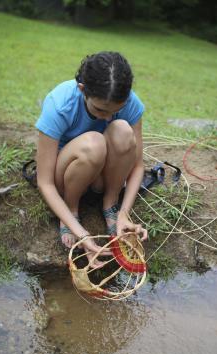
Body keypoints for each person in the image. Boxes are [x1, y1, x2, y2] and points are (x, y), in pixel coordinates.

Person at [35, 51, 147, 265]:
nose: (106, 117)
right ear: (82, 90)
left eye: (116, 110)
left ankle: (111, 205)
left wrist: (125, 212)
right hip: (68, 174)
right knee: (94, 143)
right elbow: (45, 182)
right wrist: (82, 233)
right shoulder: (60, 103)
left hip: (102, 177)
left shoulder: (131, 103)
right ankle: (71, 209)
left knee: (123, 130)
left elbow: (138, 166)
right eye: (100, 109)